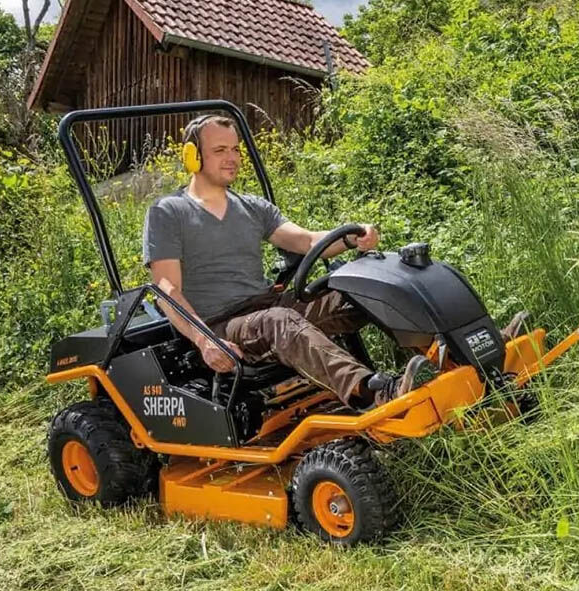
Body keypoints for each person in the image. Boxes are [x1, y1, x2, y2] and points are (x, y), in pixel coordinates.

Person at [142, 113, 417, 408]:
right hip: (222, 324)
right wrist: (205, 340)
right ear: (192, 156)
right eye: (220, 150)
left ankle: (433, 359)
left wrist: (351, 237)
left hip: (268, 307)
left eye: (235, 150)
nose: (232, 158)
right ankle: (376, 393)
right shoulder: (168, 212)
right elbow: (167, 290)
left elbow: (307, 241)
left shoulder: (252, 207)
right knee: (279, 321)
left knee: (357, 291)